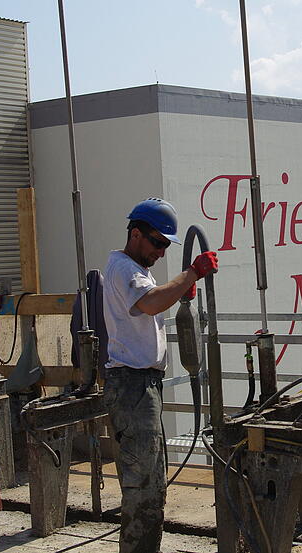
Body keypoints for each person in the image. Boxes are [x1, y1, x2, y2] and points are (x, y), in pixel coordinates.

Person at [101, 197, 218, 553]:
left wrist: (181, 286)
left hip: (141, 387)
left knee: (151, 483)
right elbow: (150, 302)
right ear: (136, 234)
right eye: (158, 243)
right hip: (133, 387)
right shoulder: (124, 268)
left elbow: (153, 299)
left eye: (167, 245)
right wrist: (192, 274)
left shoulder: (136, 269)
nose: (162, 252)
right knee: (143, 488)